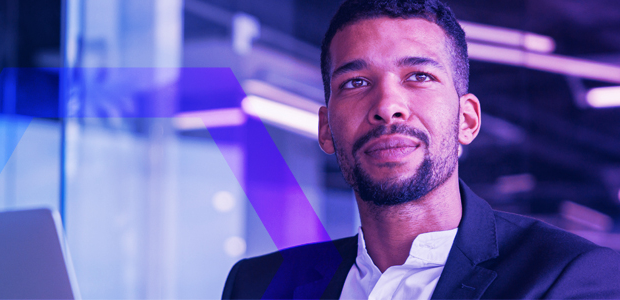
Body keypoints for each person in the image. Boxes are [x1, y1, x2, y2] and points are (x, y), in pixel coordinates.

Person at [221, 0, 620, 299]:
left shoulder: (568, 277)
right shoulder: (258, 286)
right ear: (326, 129)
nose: (386, 106)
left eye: (419, 76)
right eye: (356, 83)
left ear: (467, 120)